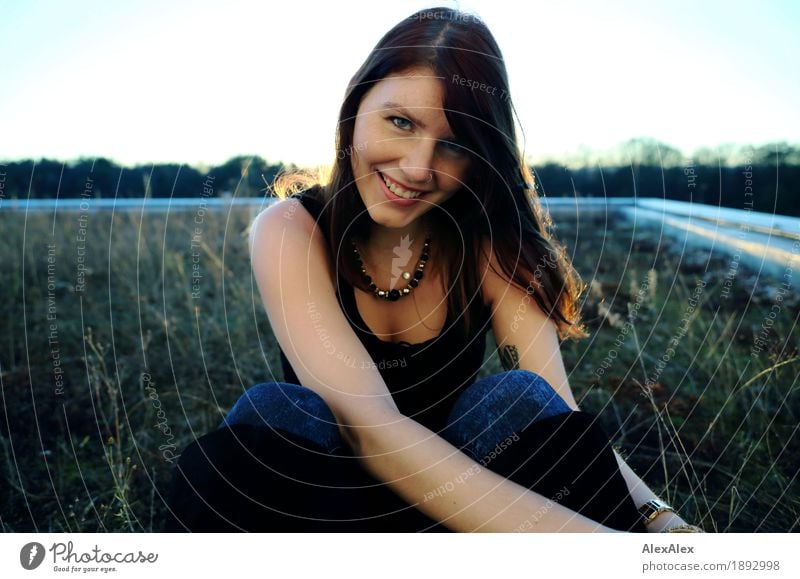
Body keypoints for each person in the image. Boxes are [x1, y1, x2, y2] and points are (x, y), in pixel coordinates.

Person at [164, 6, 702, 533]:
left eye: (453, 144)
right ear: (354, 108)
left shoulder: (488, 242)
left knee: (514, 399)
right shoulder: (290, 229)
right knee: (277, 412)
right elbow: (369, 428)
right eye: (400, 122)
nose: (419, 168)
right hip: (332, 512)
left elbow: (553, 413)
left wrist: (662, 522)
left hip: (476, 511)